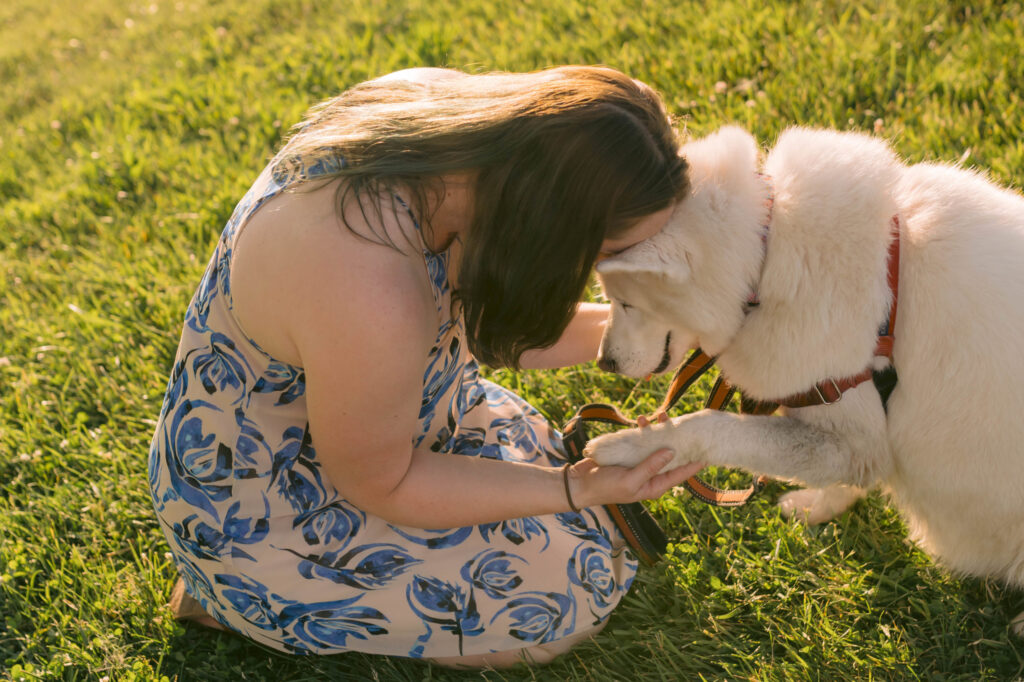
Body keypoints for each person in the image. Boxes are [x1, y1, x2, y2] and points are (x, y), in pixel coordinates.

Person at [148, 65, 702, 668]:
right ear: (549, 227)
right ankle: (232, 599)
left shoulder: (449, 133)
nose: (603, 270)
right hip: (273, 506)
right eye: (605, 253)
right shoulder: (368, 283)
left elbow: (498, 321)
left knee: (574, 532)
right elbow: (383, 483)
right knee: (560, 606)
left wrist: (677, 331)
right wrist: (576, 487)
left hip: (390, 421)